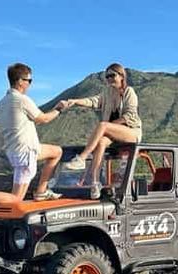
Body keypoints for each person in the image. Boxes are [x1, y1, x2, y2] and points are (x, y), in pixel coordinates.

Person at [0, 63, 66, 220]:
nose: (30, 84)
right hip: (26, 151)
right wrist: (59, 109)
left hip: (18, 150)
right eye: (29, 80)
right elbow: (42, 119)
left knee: (56, 152)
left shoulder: (3, 102)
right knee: (16, 198)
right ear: (20, 81)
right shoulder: (21, 100)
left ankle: (41, 192)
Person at [60, 63, 142, 199]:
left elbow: (130, 116)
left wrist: (109, 125)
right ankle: (95, 183)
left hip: (131, 131)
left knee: (103, 126)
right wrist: (75, 101)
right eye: (107, 76)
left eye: (112, 75)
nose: (109, 78)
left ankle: (82, 157)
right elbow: (93, 101)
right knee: (101, 142)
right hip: (114, 132)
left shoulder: (129, 92)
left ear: (121, 76)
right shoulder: (107, 93)